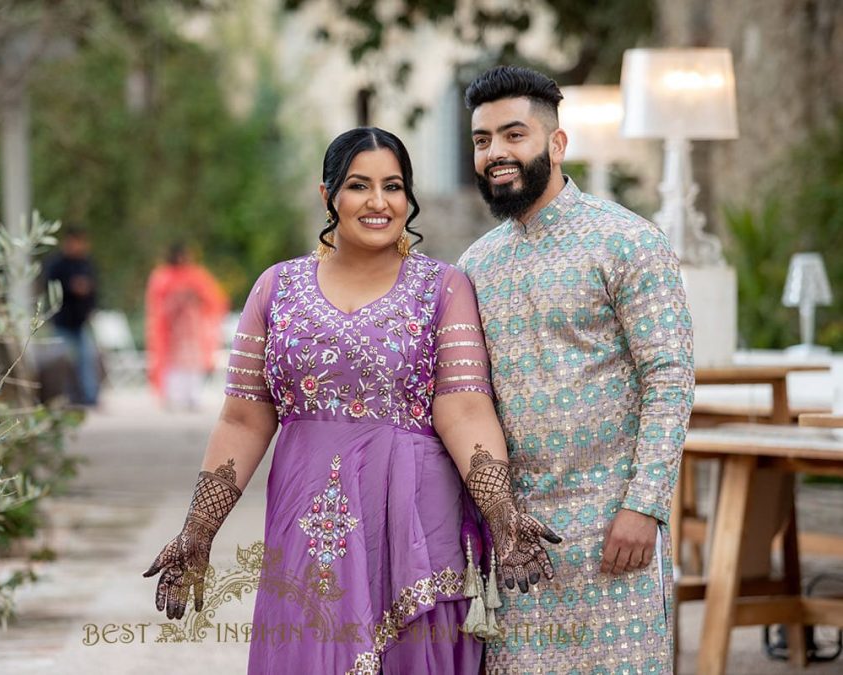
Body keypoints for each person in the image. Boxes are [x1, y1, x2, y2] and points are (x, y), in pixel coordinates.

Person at [143, 127, 561, 674]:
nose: (378, 202)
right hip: (308, 520)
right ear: (328, 195)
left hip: (415, 519)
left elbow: (464, 406)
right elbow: (244, 419)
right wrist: (197, 531)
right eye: (359, 185)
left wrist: (503, 516)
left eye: (393, 186)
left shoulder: (442, 287)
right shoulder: (276, 289)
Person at [457, 65, 695, 673]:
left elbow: (669, 380)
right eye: (482, 141)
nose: (495, 154)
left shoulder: (628, 242)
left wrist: (646, 505)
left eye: (514, 135)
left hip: (614, 528)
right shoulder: (476, 264)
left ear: (557, 144)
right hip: (519, 539)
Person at [145, 244, 228, 410]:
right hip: (172, 330)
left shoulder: (195, 275)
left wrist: (192, 299)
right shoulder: (163, 276)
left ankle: (192, 395)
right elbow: (158, 304)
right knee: (174, 363)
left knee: (192, 362)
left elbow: (213, 298)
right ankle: (173, 396)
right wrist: (176, 301)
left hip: (192, 329)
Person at [44, 226, 100, 406]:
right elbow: (50, 287)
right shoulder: (57, 264)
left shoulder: (85, 264)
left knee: (87, 359)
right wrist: (71, 287)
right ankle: (66, 396)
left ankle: (90, 397)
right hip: (62, 322)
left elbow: (93, 290)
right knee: (63, 362)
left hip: (81, 321)